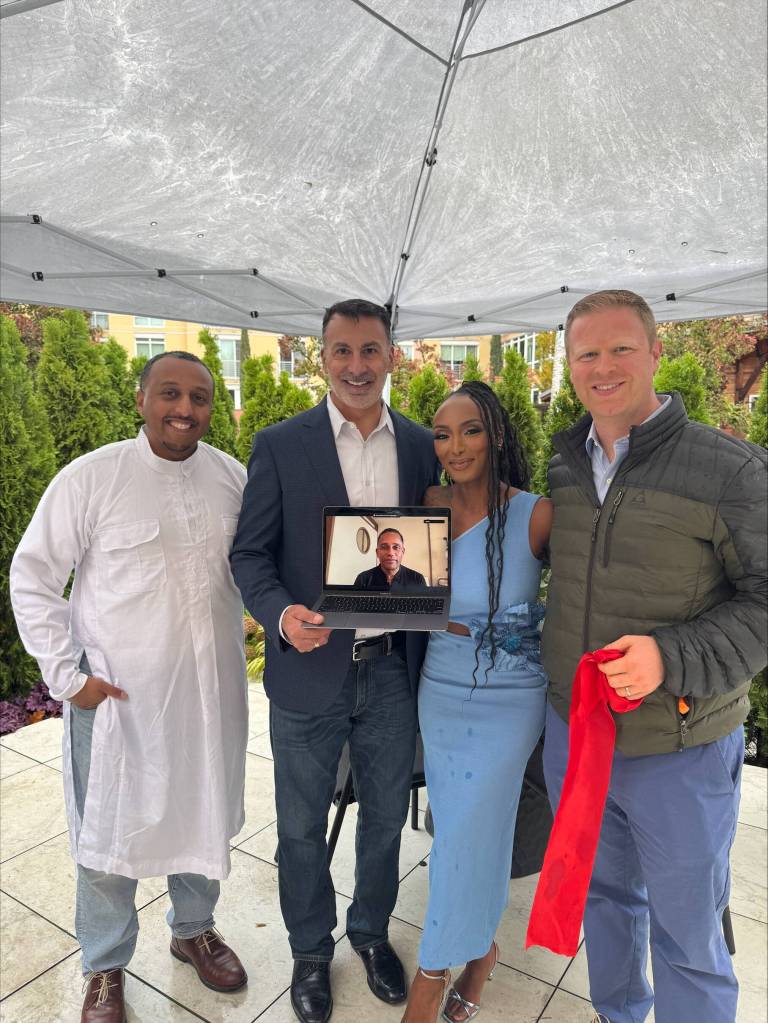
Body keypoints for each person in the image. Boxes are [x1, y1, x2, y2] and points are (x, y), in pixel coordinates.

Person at [540, 290, 767, 1023]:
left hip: (680, 746)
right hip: (577, 736)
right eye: (586, 353)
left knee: (688, 931)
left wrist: (670, 656)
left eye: (620, 348)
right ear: (570, 365)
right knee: (605, 901)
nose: (603, 367)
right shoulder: (566, 462)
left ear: (657, 353)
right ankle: (618, 1012)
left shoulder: (729, 469)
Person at [10, 351, 249, 1023]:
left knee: (201, 807)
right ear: (140, 397)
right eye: (169, 392)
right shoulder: (92, 479)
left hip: (209, 696)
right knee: (109, 832)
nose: (184, 408)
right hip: (118, 702)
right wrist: (68, 676)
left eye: (199, 396)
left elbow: (260, 568)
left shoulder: (233, 479)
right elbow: (32, 575)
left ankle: (192, 928)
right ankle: (106, 965)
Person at [230, 299, 439, 1023]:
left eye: (370, 350)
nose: (356, 365)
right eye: (342, 350)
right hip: (306, 669)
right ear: (322, 355)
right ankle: (310, 951)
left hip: (391, 671)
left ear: (392, 355)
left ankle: (371, 933)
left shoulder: (418, 444)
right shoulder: (281, 443)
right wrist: (281, 614)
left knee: (384, 818)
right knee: (297, 825)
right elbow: (249, 554)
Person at [400, 381, 553, 1023]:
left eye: (470, 431)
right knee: (471, 830)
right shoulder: (426, 506)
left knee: (464, 831)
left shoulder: (536, 512)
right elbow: (394, 591)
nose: (455, 446)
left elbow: (578, 599)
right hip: (442, 690)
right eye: (442, 433)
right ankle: (482, 953)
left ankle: (432, 976)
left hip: (511, 695)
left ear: (496, 436)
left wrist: (519, 625)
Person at [353, 528, 427, 590]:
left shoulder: (417, 579)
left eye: (396, 547)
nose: (390, 553)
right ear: (377, 552)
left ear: (403, 552)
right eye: (384, 547)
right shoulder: (363, 579)